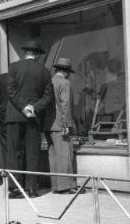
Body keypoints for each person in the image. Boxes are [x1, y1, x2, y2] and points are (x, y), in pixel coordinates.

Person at [6, 40, 54, 198]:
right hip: (33, 117)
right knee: (33, 152)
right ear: (38, 55)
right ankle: (31, 188)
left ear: (25, 53)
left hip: (15, 115)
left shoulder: (13, 67)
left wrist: (23, 107)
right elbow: (48, 96)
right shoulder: (45, 71)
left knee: (15, 152)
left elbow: (11, 91)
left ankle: (14, 188)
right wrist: (34, 108)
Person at [45, 57, 81, 194]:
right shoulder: (65, 83)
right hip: (62, 125)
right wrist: (68, 125)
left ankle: (55, 185)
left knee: (53, 155)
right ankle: (65, 186)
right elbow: (65, 106)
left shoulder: (49, 82)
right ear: (66, 72)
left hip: (48, 125)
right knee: (65, 154)